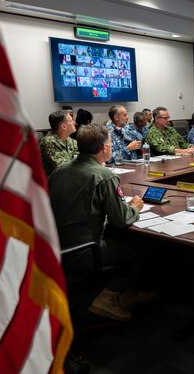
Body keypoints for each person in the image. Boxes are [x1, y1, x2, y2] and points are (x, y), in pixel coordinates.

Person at [48, 124, 155, 322]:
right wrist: (134, 207)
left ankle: (121, 293)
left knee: (116, 235)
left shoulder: (60, 170)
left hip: (53, 250)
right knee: (140, 242)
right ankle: (112, 295)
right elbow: (121, 219)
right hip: (83, 253)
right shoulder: (104, 176)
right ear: (105, 148)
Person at [39, 110, 78, 176]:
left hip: (67, 178)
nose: (74, 123)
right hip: (51, 181)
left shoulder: (71, 141)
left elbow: (81, 159)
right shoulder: (49, 141)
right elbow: (63, 167)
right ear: (63, 126)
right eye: (71, 121)